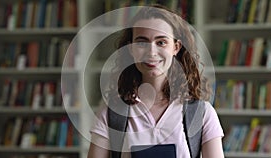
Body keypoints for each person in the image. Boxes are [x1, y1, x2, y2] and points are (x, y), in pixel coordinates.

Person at [87, 4, 224, 158]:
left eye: (161, 42)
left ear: (176, 47)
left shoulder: (202, 113)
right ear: (131, 48)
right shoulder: (111, 112)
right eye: (141, 42)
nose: (151, 52)